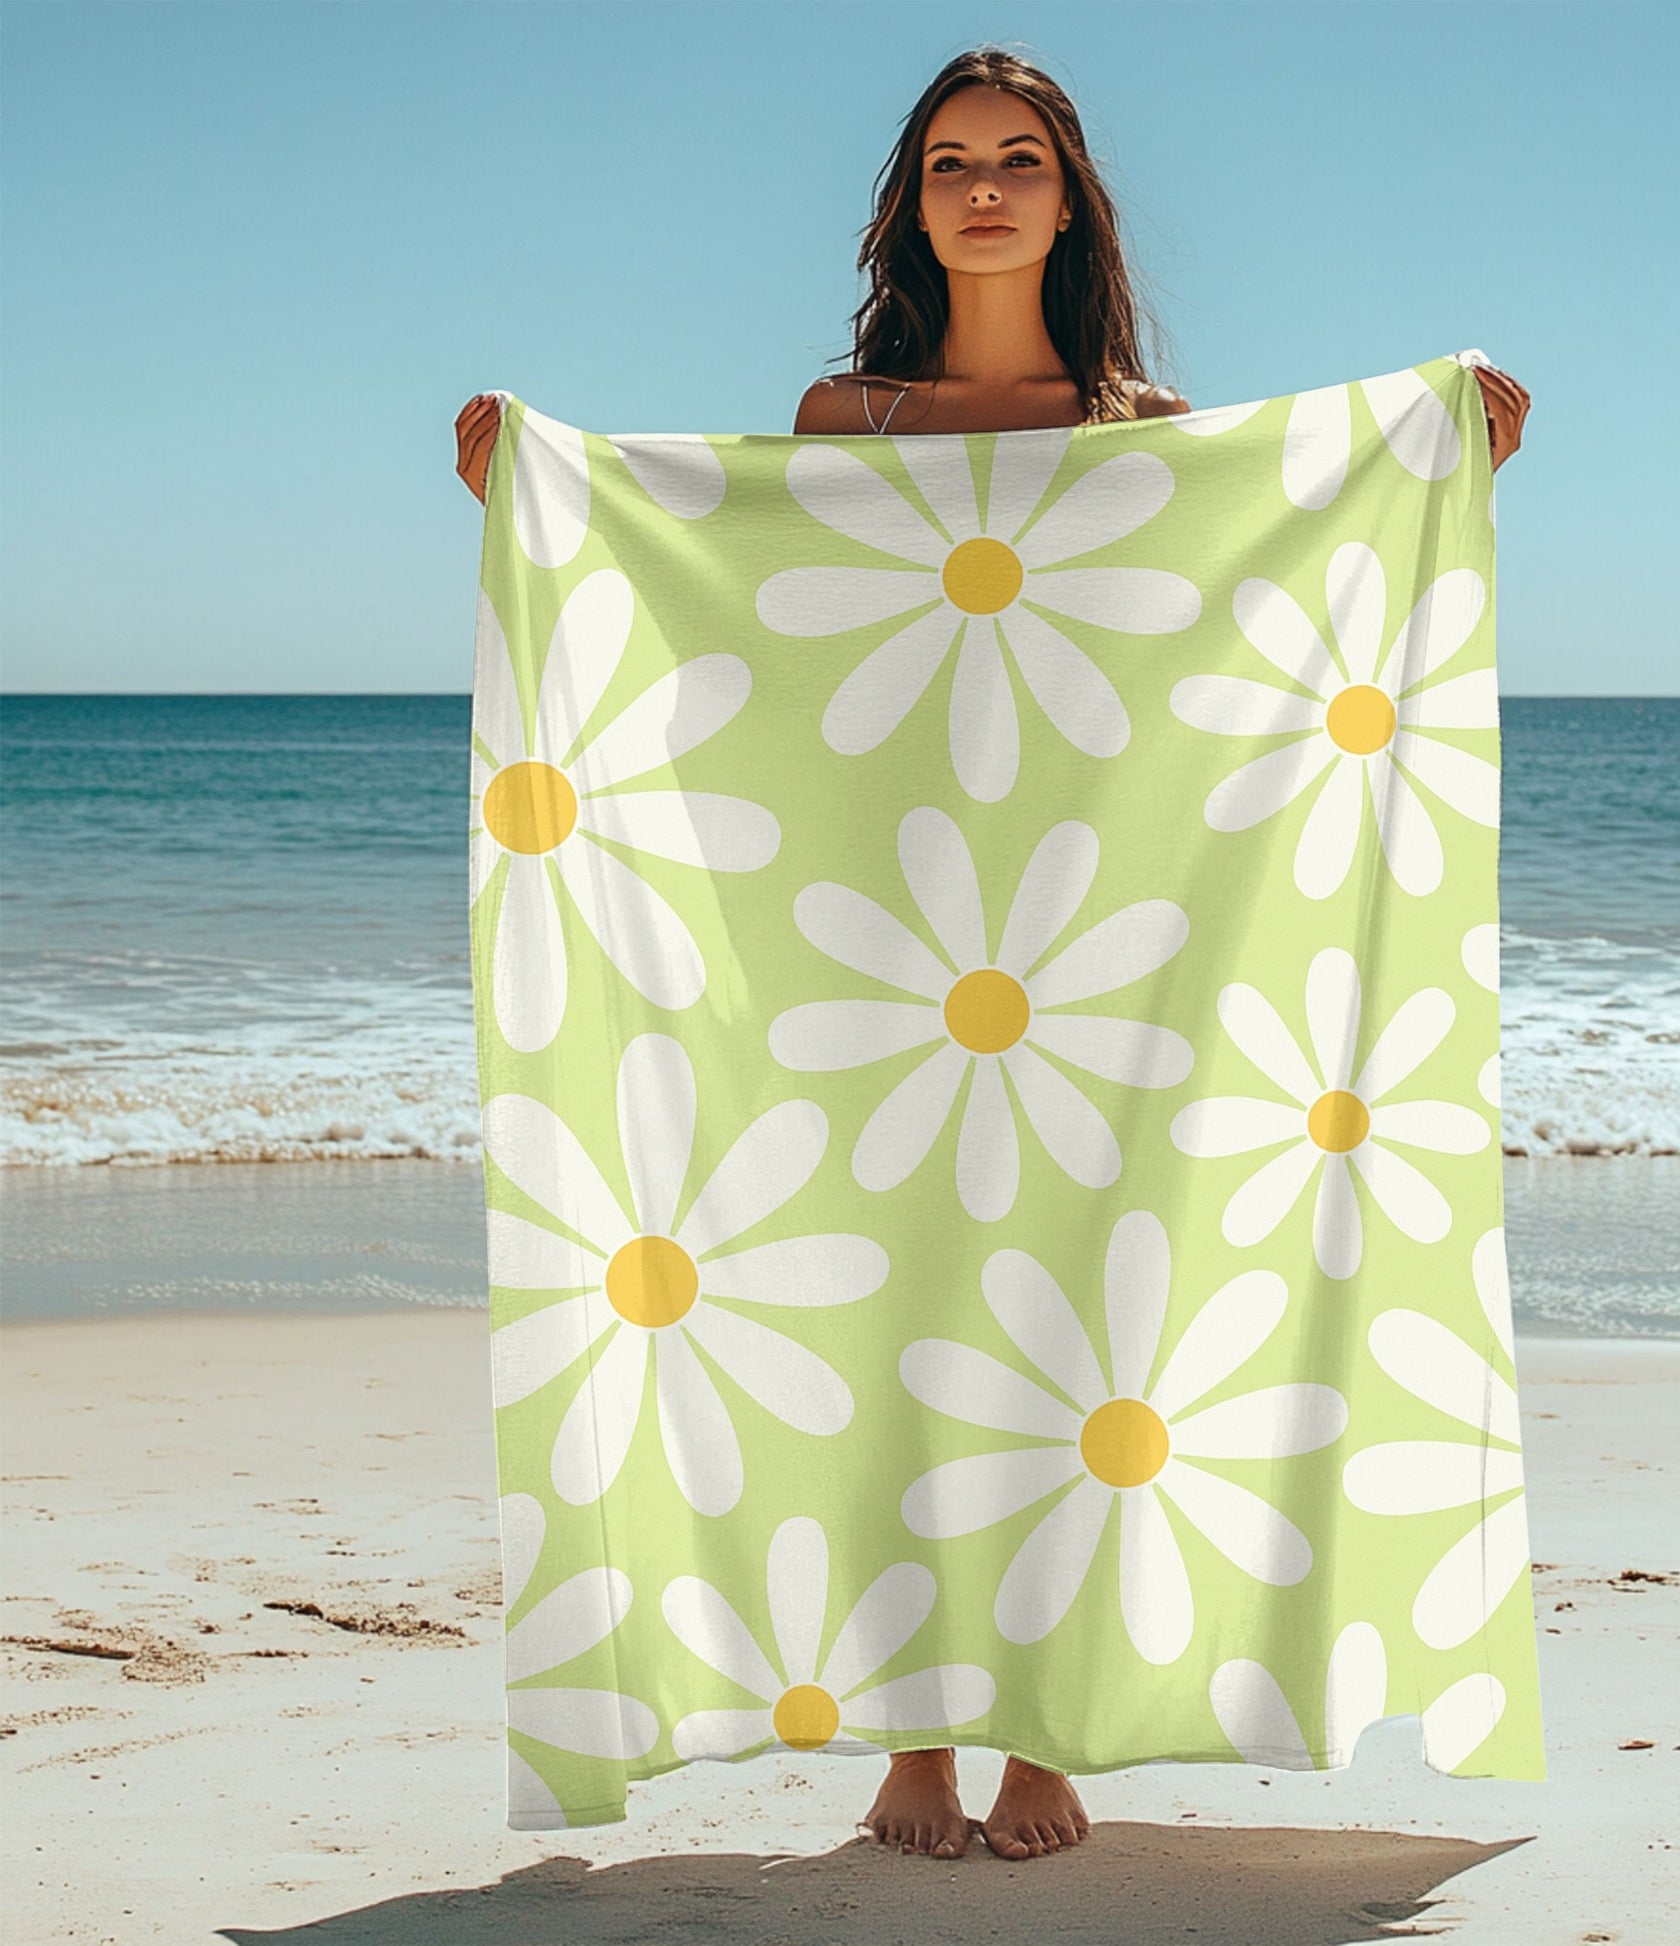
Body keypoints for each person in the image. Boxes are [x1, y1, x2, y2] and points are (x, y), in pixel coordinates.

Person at [452, 40, 1530, 1868]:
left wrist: (1436, 454)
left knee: (1072, 1315)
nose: (981, 186)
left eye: (1016, 157)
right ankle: (908, 1742)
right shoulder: (844, 413)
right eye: (948, 158)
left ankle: (1042, 1735)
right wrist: (544, 495)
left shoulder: (1142, 415)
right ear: (910, 202)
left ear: (1067, 193)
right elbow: (753, 618)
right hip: (877, 920)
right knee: (891, 1321)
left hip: (1096, 920)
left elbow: (1238, 605)